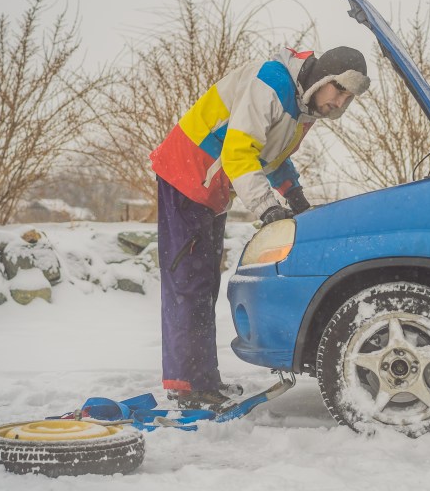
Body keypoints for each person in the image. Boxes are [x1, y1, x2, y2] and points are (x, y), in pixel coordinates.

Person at [150, 46, 370, 410]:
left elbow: (273, 158)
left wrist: (294, 195)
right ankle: (187, 385)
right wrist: (267, 207)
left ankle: (203, 380)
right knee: (187, 282)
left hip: (214, 187)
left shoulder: (303, 108)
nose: (340, 103)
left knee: (204, 283)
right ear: (323, 79)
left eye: (348, 98)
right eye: (339, 91)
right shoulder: (269, 84)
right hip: (187, 175)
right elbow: (240, 152)